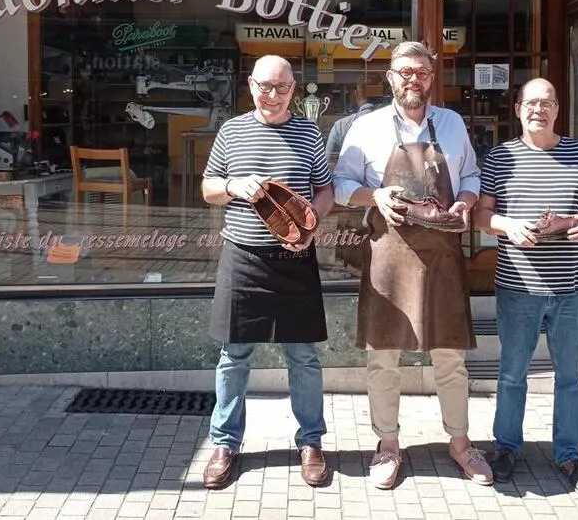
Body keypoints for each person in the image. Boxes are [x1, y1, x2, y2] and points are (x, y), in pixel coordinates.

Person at [332, 41, 491, 490]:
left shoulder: (452, 124)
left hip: (442, 254)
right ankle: (387, 445)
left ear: (431, 77)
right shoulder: (366, 127)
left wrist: (465, 201)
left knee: (450, 356)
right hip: (389, 253)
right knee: (383, 357)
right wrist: (375, 195)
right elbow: (340, 184)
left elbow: (472, 175)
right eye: (405, 71)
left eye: (421, 72)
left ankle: (461, 443)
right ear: (390, 78)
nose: (413, 79)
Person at [200, 55, 335, 490]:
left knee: (303, 357)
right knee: (233, 356)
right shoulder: (231, 131)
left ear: (293, 89)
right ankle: (225, 444)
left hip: (295, 260)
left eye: (281, 87)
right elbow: (208, 188)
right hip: (242, 257)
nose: (272, 95)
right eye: (264, 86)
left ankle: (311, 442)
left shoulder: (309, 133)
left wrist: (313, 222)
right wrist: (232, 186)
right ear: (250, 84)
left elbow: (325, 190)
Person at [473, 77, 578, 496]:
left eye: (547, 103)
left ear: (557, 110)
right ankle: (506, 447)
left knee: (570, 376)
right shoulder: (500, 157)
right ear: (518, 110)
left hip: (571, 287)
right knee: (512, 374)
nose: (539, 110)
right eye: (531, 103)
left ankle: (569, 454)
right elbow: (481, 215)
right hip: (518, 286)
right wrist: (507, 225)